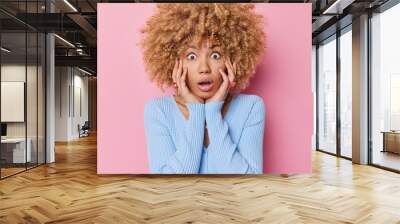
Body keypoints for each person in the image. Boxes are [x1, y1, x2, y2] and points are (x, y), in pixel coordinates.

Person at [141, 3, 266, 174]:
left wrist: (213, 112)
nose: (204, 68)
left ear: (233, 60)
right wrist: (197, 111)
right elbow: (168, 185)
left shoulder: (251, 107)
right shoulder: (158, 111)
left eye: (215, 55)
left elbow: (248, 183)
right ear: (173, 63)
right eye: (191, 56)